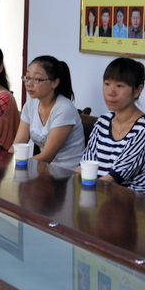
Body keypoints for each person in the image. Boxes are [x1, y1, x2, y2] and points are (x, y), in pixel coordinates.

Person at [81, 57, 145, 192]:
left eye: (120, 86)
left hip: (131, 201)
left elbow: (114, 178)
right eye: (107, 83)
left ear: (137, 90)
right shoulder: (102, 122)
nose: (110, 92)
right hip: (99, 195)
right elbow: (86, 167)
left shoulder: (142, 129)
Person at [11, 56, 84, 170]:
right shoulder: (30, 106)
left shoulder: (64, 109)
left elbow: (46, 157)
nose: (29, 83)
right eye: (27, 77)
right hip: (44, 170)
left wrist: (17, 166)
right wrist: (5, 163)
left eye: (37, 79)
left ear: (54, 83)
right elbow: (17, 147)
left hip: (67, 173)